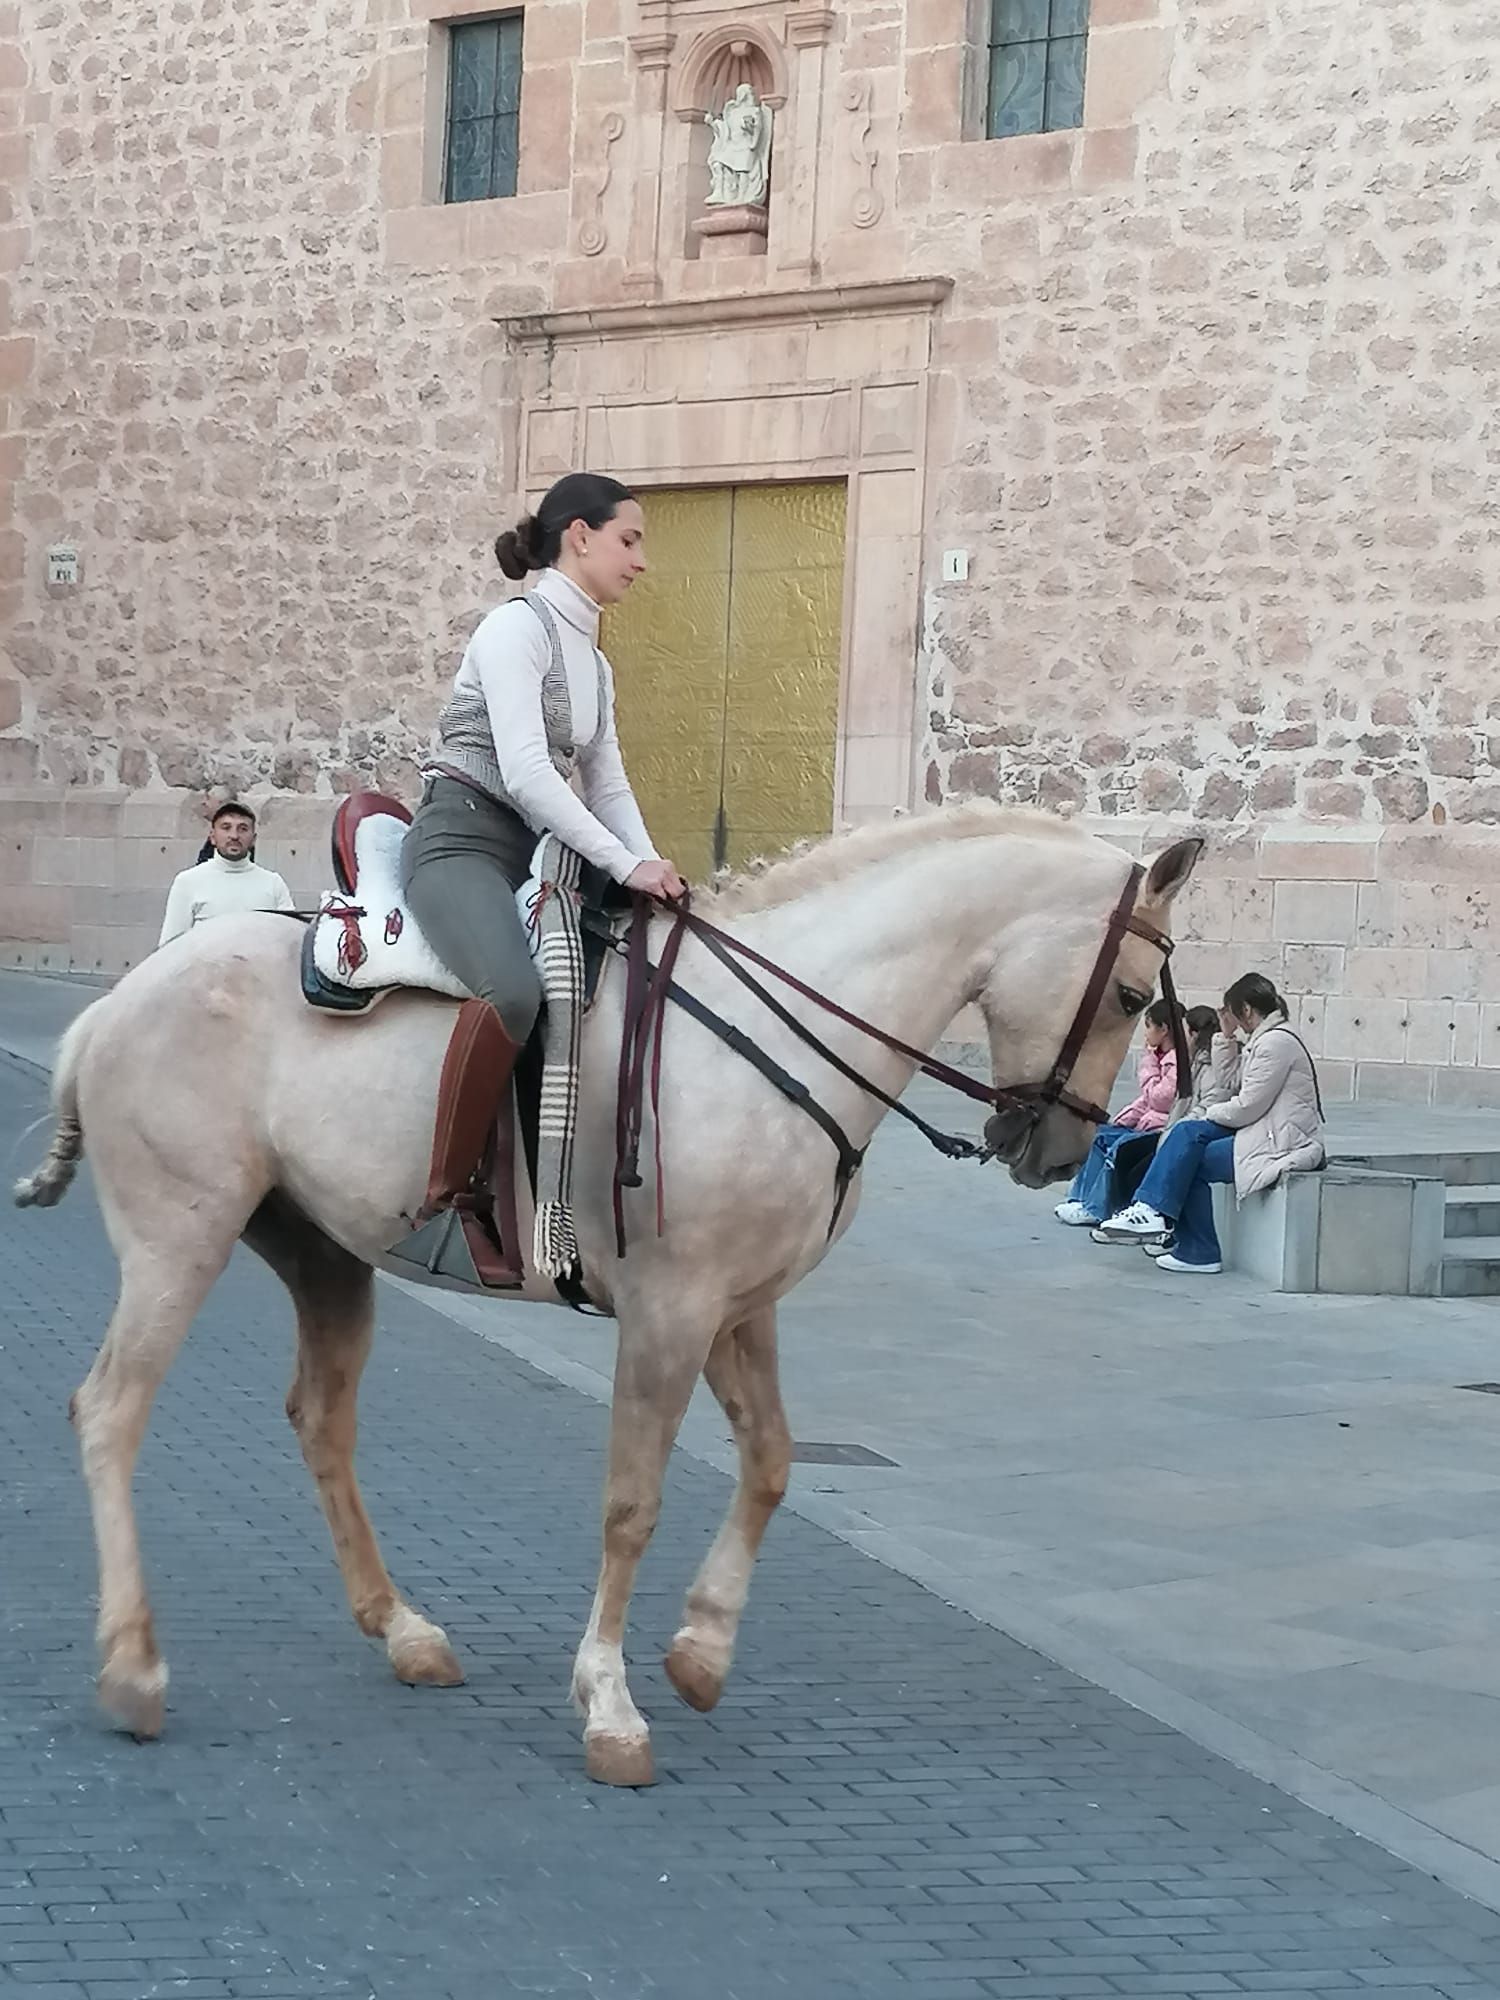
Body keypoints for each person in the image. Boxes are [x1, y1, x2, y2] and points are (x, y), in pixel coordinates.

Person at [395, 470, 685, 1284]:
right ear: (579, 536)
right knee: (515, 993)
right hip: (461, 840)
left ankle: (575, 1195)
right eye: (629, 541)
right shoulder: (512, 629)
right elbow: (525, 772)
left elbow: (609, 782)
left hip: (540, 852)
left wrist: (651, 867)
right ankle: (448, 1201)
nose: (640, 561)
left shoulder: (595, 662)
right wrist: (621, 861)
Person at [1096, 973, 1325, 1275]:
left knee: (1190, 1143)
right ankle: (1181, 1236)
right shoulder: (1266, 1039)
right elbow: (1233, 1082)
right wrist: (1226, 1037)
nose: (1227, 1017)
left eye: (1230, 1012)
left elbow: (1247, 1106)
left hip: (1280, 1142)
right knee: (1188, 1146)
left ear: (1245, 1010)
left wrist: (1208, 1114)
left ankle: (1181, 1235)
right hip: (1264, 1130)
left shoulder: (1275, 1044)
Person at [1091, 1004, 1224, 1227]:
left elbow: (1167, 1100)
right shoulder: (1192, 1060)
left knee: (1128, 1154)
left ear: (1192, 1034)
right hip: (1170, 1125)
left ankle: (1128, 1215)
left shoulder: (1205, 1063)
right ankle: (1110, 1212)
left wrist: (1148, 1061)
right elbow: (1156, 1101)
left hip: (1173, 1127)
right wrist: (1129, 1116)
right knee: (1117, 1146)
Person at [1053, 999, 1181, 1227]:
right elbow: (1146, 1100)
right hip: (1149, 1121)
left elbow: (1159, 1099)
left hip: (1160, 1127)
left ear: (1164, 1030)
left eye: (1149, 1026)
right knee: (1100, 1136)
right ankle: (1079, 1199)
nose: (1146, 1034)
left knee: (1117, 1147)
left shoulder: (1174, 1061)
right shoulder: (1161, 1058)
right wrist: (1126, 1117)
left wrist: (1148, 1062)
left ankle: (1096, 1208)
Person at [158, 802, 294, 947]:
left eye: (243, 829)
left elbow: (290, 941)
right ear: (212, 837)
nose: (234, 836)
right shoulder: (187, 881)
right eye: (226, 828)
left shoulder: (273, 883)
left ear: (253, 839)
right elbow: (170, 946)